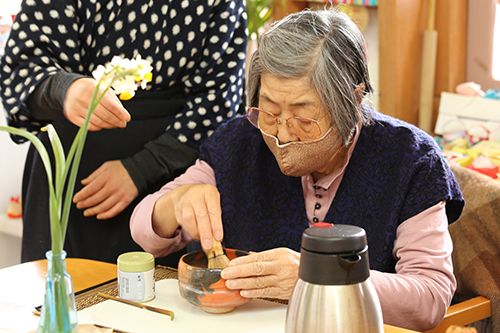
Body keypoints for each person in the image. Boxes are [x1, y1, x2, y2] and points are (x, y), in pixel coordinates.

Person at [130, 9, 464, 331]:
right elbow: (143, 230)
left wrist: (319, 278)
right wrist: (175, 204)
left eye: (303, 118)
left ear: (354, 99)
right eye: (269, 111)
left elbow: (430, 297)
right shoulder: (238, 142)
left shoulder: (409, 159)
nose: (282, 134)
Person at [0, 0, 247, 267]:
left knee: (162, 302)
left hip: (168, 185)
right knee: (60, 296)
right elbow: (20, 69)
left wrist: (142, 168)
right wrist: (63, 89)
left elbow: (219, 98)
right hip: (69, 172)